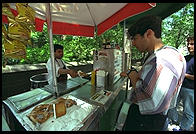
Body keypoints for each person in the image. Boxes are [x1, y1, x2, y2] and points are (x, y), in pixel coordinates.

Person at [120, 15, 186, 131]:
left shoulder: (160, 60)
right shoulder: (171, 54)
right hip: (158, 120)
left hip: (146, 122)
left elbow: (150, 99)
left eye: (135, 38)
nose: (133, 43)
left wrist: (133, 76)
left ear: (149, 34)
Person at [167, 36, 194, 131]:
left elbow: (184, 73)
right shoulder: (185, 58)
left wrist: (184, 75)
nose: (189, 46)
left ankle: (183, 128)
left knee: (188, 112)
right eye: (188, 43)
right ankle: (174, 122)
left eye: (192, 44)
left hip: (191, 90)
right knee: (171, 105)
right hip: (179, 87)